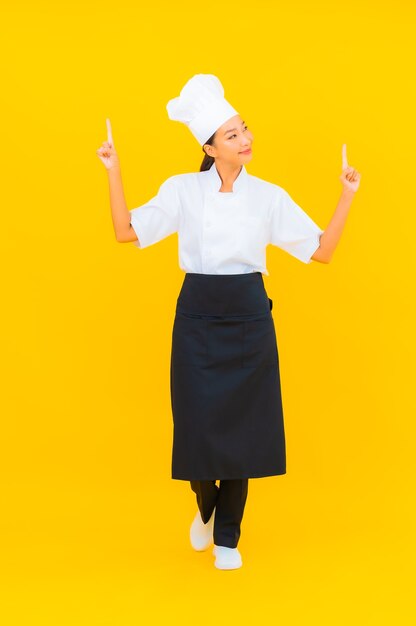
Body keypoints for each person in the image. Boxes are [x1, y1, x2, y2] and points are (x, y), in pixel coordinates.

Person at [96, 74, 361, 571]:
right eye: (233, 135)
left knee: (243, 429)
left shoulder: (268, 196)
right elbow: (125, 231)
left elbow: (321, 251)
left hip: (248, 317)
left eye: (245, 129)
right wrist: (113, 169)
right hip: (197, 315)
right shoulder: (182, 190)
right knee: (196, 430)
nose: (246, 139)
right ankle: (207, 507)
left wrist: (347, 195)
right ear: (210, 147)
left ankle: (227, 540)